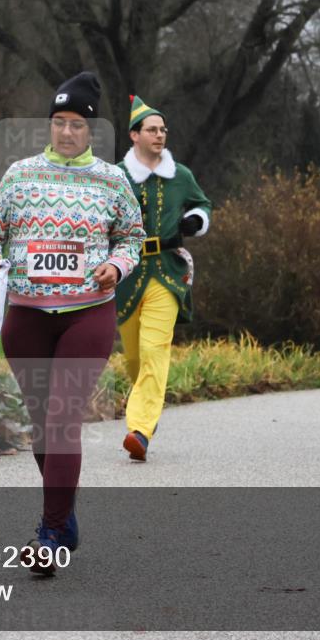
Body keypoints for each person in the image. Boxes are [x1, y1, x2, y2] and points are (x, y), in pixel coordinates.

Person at [0, 72, 145, 574]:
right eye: (59, 123)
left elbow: (131, 237)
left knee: (63, 419)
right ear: (49, 125)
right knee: (42, 428)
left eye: (76, 125)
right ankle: (64, 518)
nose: (67, 132)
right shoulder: (21, 174)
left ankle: (48, 535)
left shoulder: (112, 180)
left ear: (91, 129)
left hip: (87, 311)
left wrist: (117, 265)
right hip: (26, 314)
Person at [115, 95, 213, 461]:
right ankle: (145, 408)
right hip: (125, 275)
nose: (160, 135)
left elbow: (203, 204)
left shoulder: (181, 175)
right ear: (134, 136)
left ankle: (139, 430)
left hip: (167, 275)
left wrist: (196, 221)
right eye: (152, 130)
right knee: (134, 360)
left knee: (155, 351)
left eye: (163, 130)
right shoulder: (116, 176)